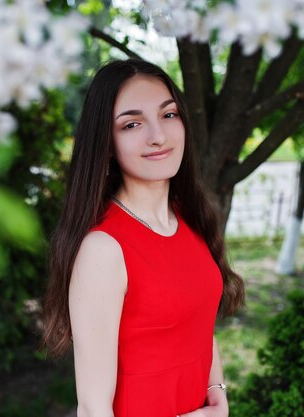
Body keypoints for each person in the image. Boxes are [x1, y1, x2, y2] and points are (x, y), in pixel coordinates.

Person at [42, 59, 244, 417]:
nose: (158, 136)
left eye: (168, 115)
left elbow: (199, 326)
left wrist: (218, 397)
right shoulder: (104, 249)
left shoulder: (190, 219)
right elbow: (92, 408)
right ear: (105, 143)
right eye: (132, 123)